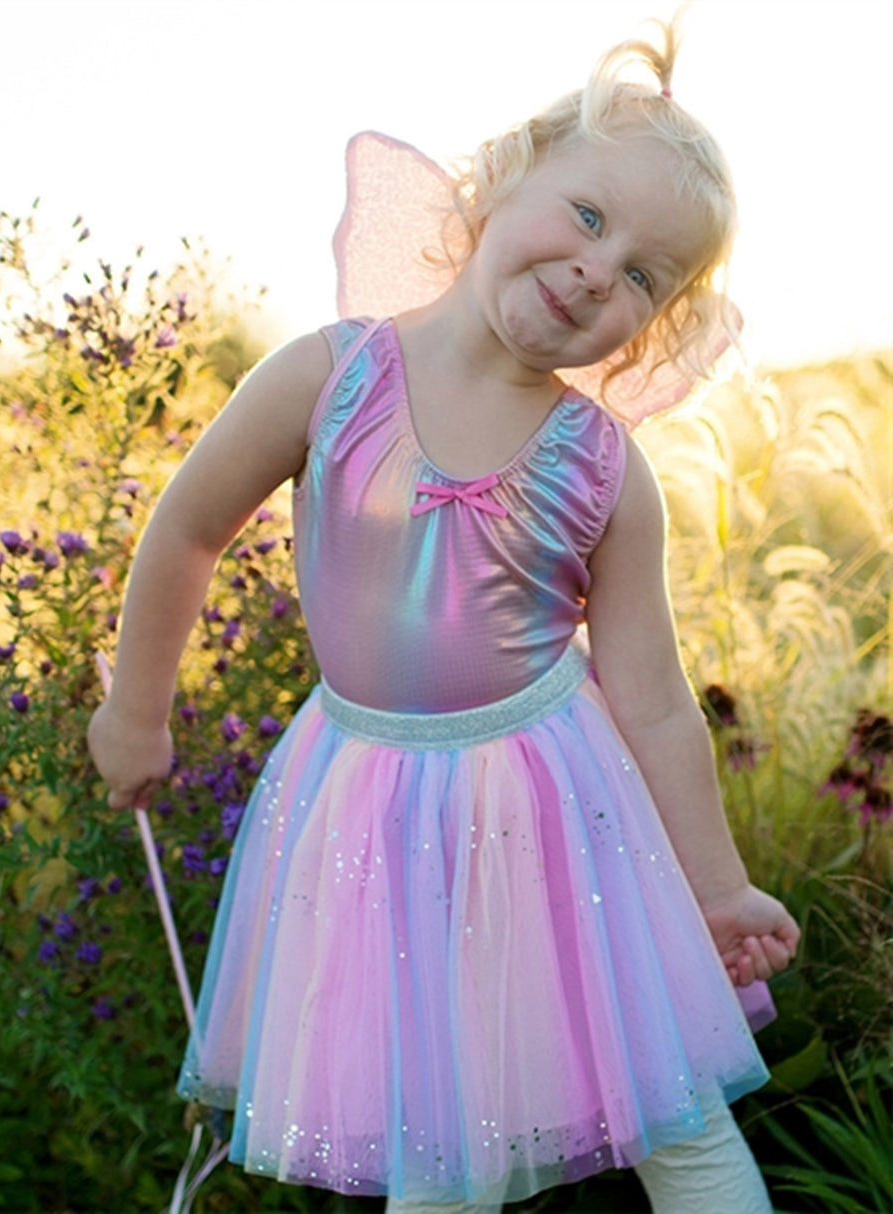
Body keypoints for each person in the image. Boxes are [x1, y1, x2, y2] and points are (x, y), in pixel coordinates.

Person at [87, 18, 800, 1213]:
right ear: (500, 175)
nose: (594, 270)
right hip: (370, 799)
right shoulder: (330, 374)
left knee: (670, 1109)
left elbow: (655, 701)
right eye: (585, 217)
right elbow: (186, 527)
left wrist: (717, 888)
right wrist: (134, 709)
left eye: (641, 275)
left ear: (657, 320)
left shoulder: (604, 467)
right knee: (435, 1120)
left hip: (559, 807)